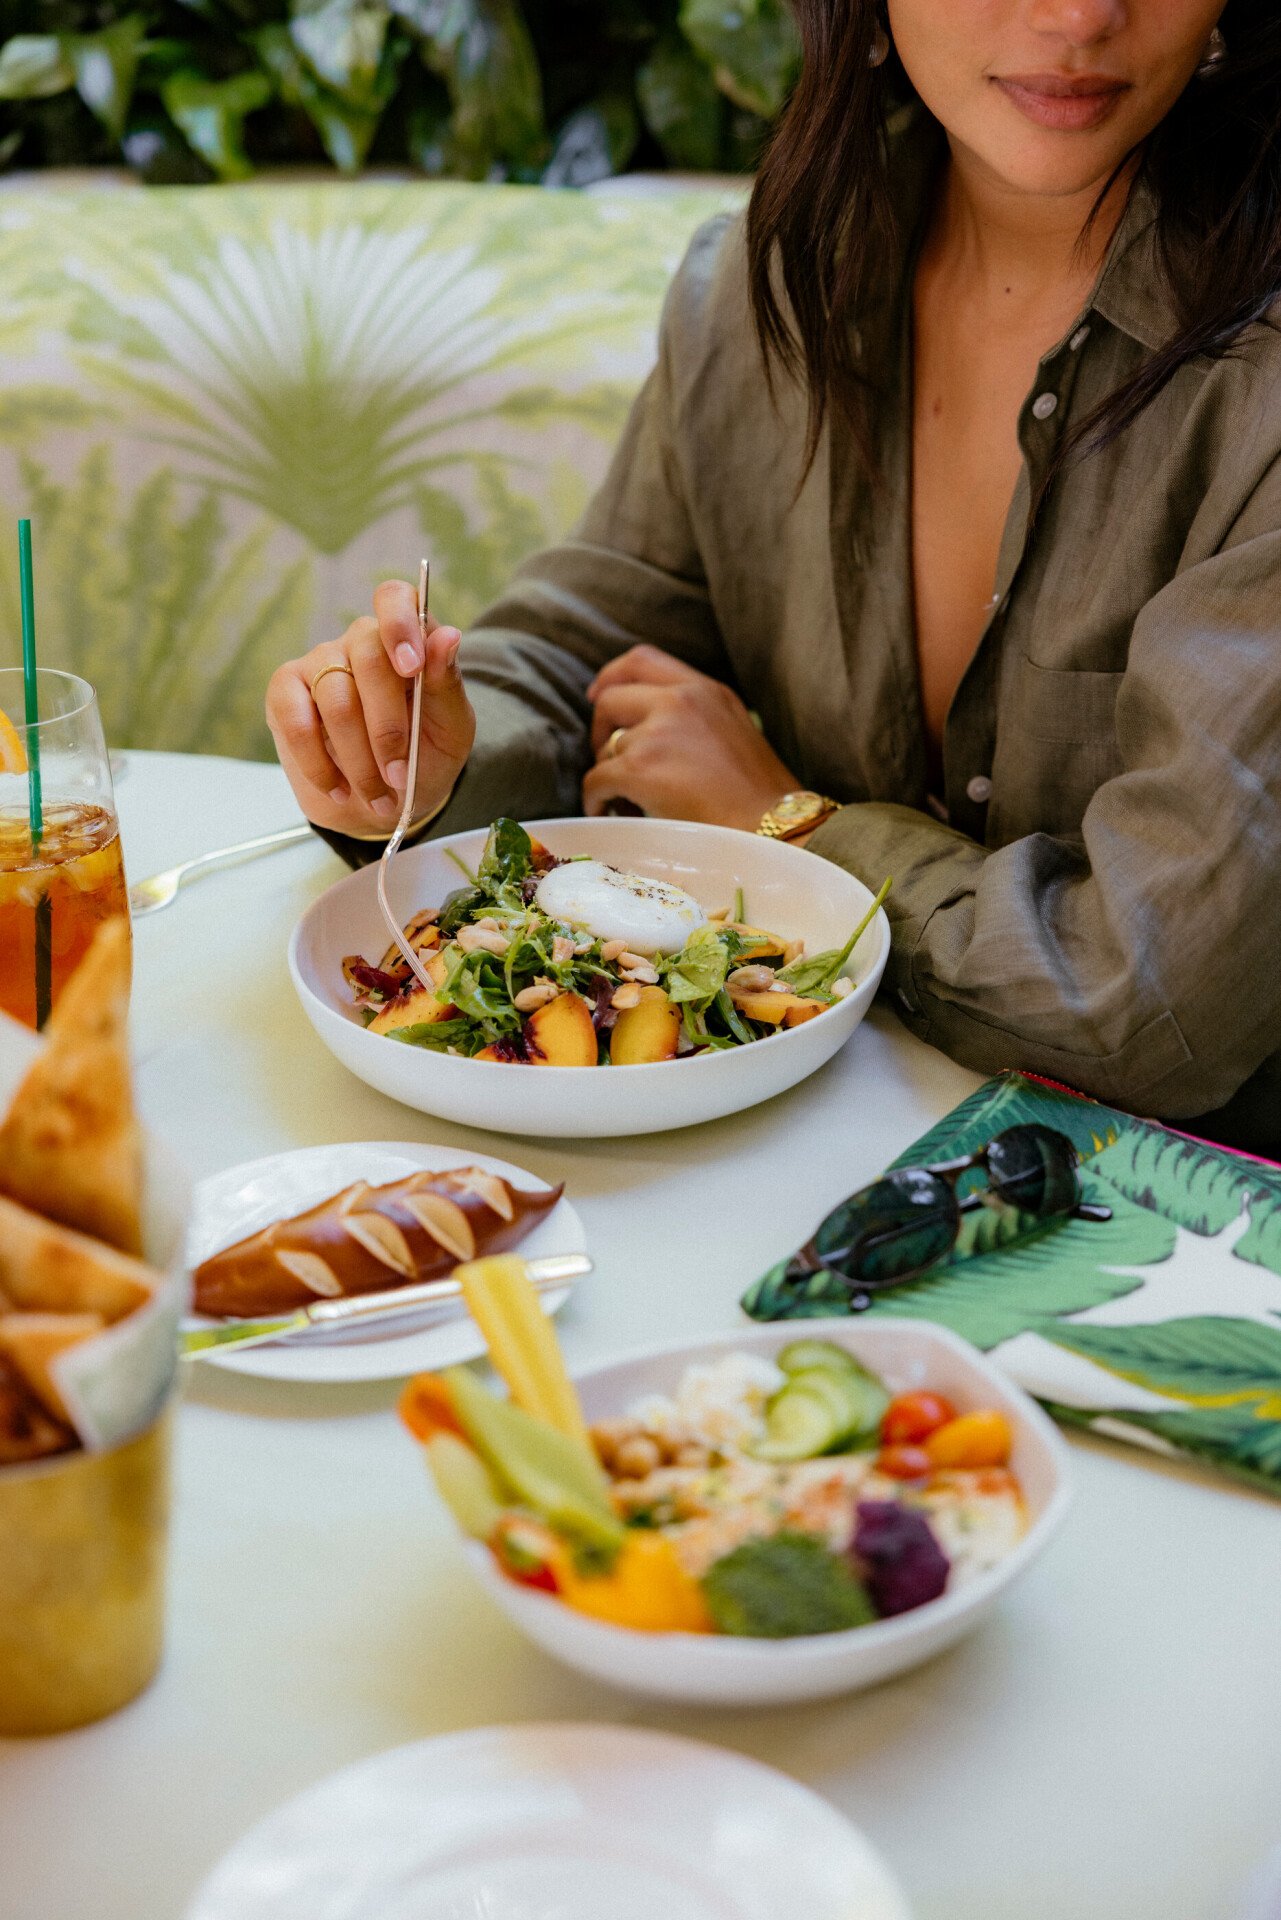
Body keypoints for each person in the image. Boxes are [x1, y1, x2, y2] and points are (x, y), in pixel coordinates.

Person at [267, 0, 1281, 1155]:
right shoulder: (766, 284)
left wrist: (789, 823)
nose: (1079, 12)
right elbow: (579, 648)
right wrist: (422, 749)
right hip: (802, 1162)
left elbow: (1148, 1007)